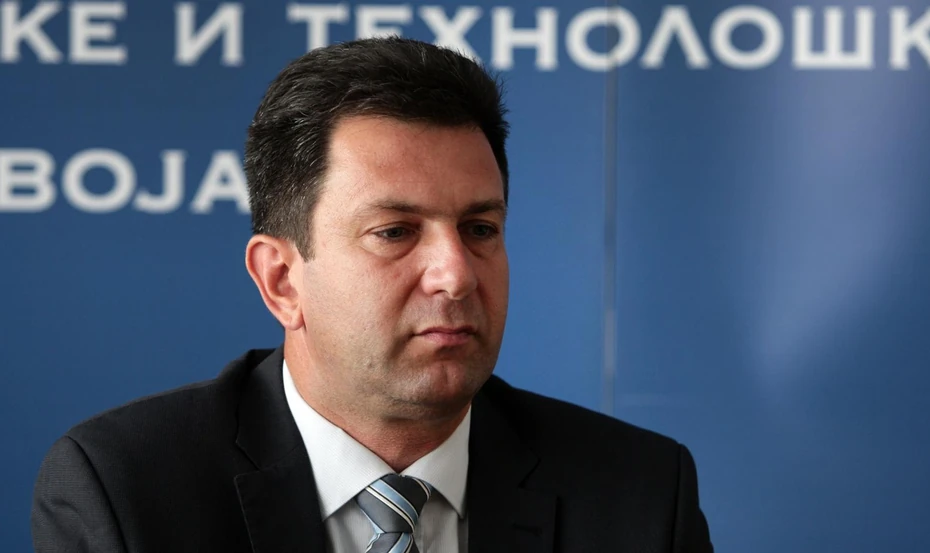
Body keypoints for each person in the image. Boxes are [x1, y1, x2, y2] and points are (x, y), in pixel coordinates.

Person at [32, 37, 713, 553]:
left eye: (479, 228)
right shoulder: (126, 490)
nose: (456, 274)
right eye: (394, 232)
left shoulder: (641, 494)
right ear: (281, 280)